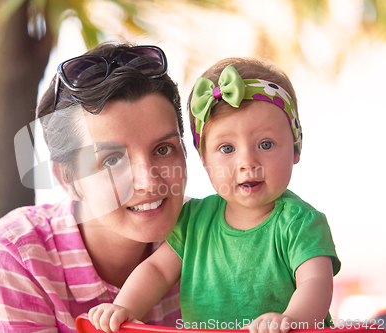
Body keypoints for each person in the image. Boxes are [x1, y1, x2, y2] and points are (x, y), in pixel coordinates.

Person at [88, 58, 341, 333]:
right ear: (205, 161)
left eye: (265, 144)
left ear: (294, 150)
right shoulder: (195, 220)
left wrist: (292, 319)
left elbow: (315, 283)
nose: (247, 161)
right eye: (227, 149)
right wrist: (124, 306)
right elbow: (157, 272)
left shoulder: (301, 223)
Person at [0, 42, 188, 332]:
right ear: (68, 180)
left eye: (164, 149)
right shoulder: (16, 258)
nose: (150, 181)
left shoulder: (213, 231)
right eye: (112, 160)